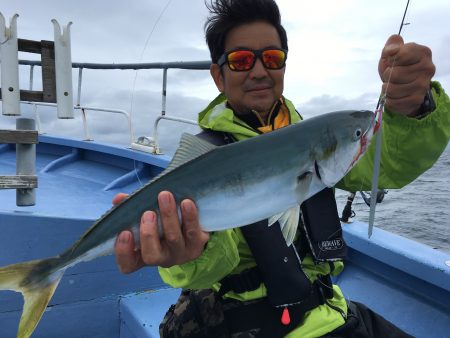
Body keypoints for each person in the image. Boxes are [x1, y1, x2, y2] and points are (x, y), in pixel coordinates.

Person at [114, 0, 450, 337]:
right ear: (218, 75)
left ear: (284, 67)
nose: (259, 71)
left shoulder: (318, 140)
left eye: (272, 58)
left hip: (330, 310)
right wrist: (191, 253)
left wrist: (415, 108)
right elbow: (215, 261)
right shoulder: (207, 157)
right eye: (241, 60)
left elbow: (388, 164)